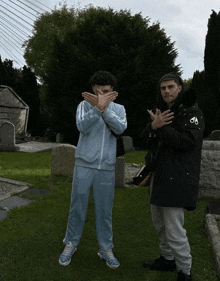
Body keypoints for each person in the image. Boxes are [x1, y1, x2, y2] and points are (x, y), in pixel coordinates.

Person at [59, 71, 127, 269]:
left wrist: (104, 109)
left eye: (106, 92)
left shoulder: (119, 108)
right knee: (77, 207)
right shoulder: (84, 105)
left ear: (113, 91)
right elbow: (82, 126)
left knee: (104, 211)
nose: (102, 96)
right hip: (84, 164)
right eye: (98, 93)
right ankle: (70, 243)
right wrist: (96, 108)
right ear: (92, 91)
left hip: (106, 167)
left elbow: (121, 128)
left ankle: (105, 248)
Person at [141, 73, 205, 281]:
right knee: (159, 223)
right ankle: (167, 260)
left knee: (174, 228)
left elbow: (187, 143)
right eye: (163, 88)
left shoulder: (192, 113)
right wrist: (153, 127)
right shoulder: (166, 111)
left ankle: (185, 271)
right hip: (159, 175)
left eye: (170, 87)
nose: (166, 91)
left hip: (177, 178)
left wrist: (162, 128)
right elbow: (146, 137)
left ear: (180, 87)